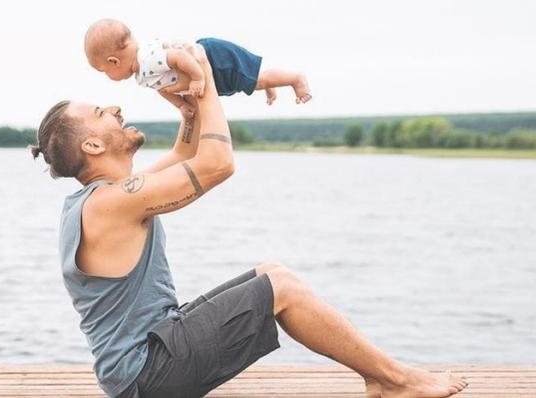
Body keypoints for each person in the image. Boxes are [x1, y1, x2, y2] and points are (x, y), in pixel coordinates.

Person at [30, 45, 467, 398]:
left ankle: (385, 377)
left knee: (271, 274)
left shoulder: (101, 199)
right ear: (91, 144)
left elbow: (186, 156)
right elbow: (217, 163)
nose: (116, 109)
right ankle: (395, 381)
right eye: (102, 113)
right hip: (147, 373)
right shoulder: (110, 203)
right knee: (283, 289)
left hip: (148, 360)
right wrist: (204, 76)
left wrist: (189, 115)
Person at [83, 18, 312, 120]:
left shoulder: (147, 59)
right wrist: (181, 105)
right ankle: (266, 84)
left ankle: (295, 79)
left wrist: (197, 78)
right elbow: (164, 89)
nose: (108, 77)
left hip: (211, 59)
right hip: (206, 67)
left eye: (104, 71)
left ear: (114, 61)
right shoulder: (141, 74)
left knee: (257, 80)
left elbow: (179, 57)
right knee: (254, 81)